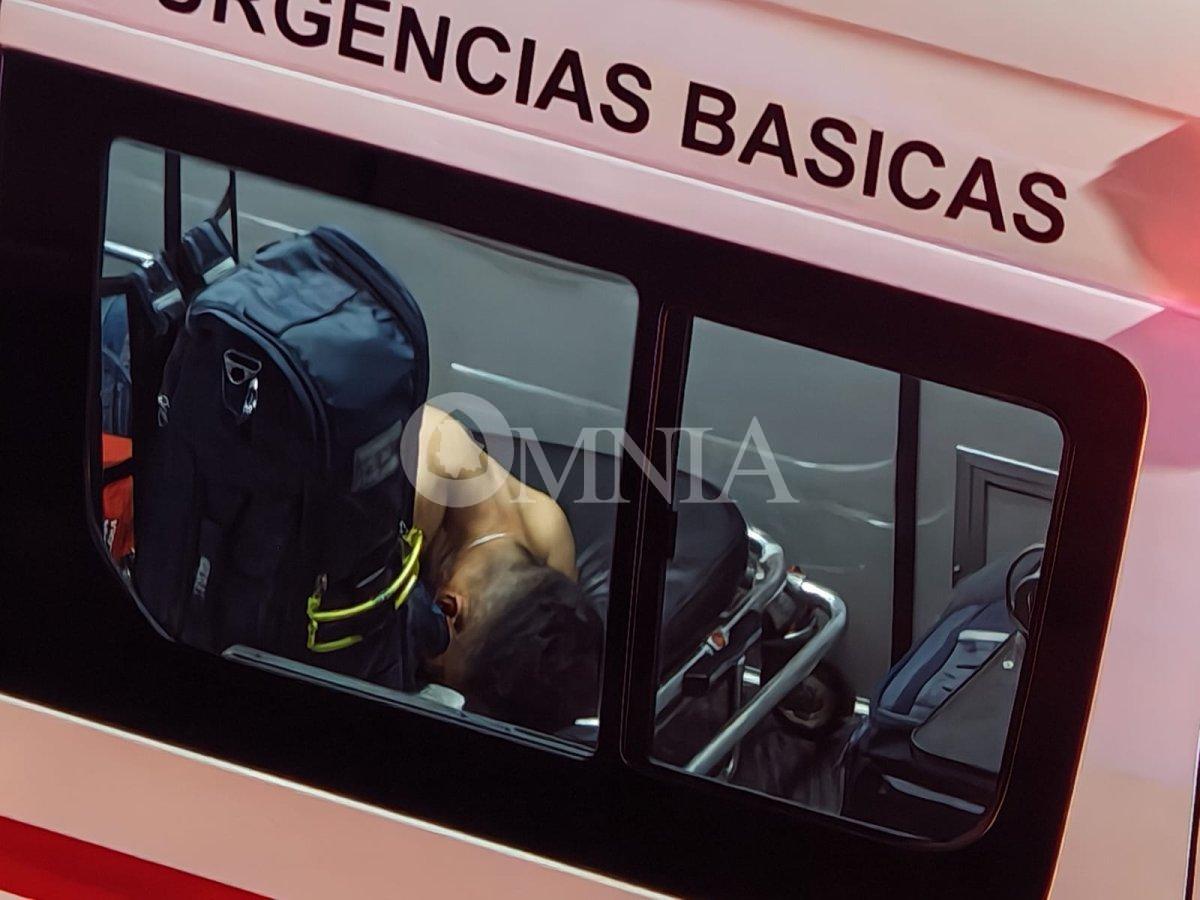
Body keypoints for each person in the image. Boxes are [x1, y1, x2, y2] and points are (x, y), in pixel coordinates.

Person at [411, 405, 603, 732]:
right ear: (447, 607)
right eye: (442, 671)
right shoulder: (414, 490)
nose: (434, 668)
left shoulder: (550, 535)